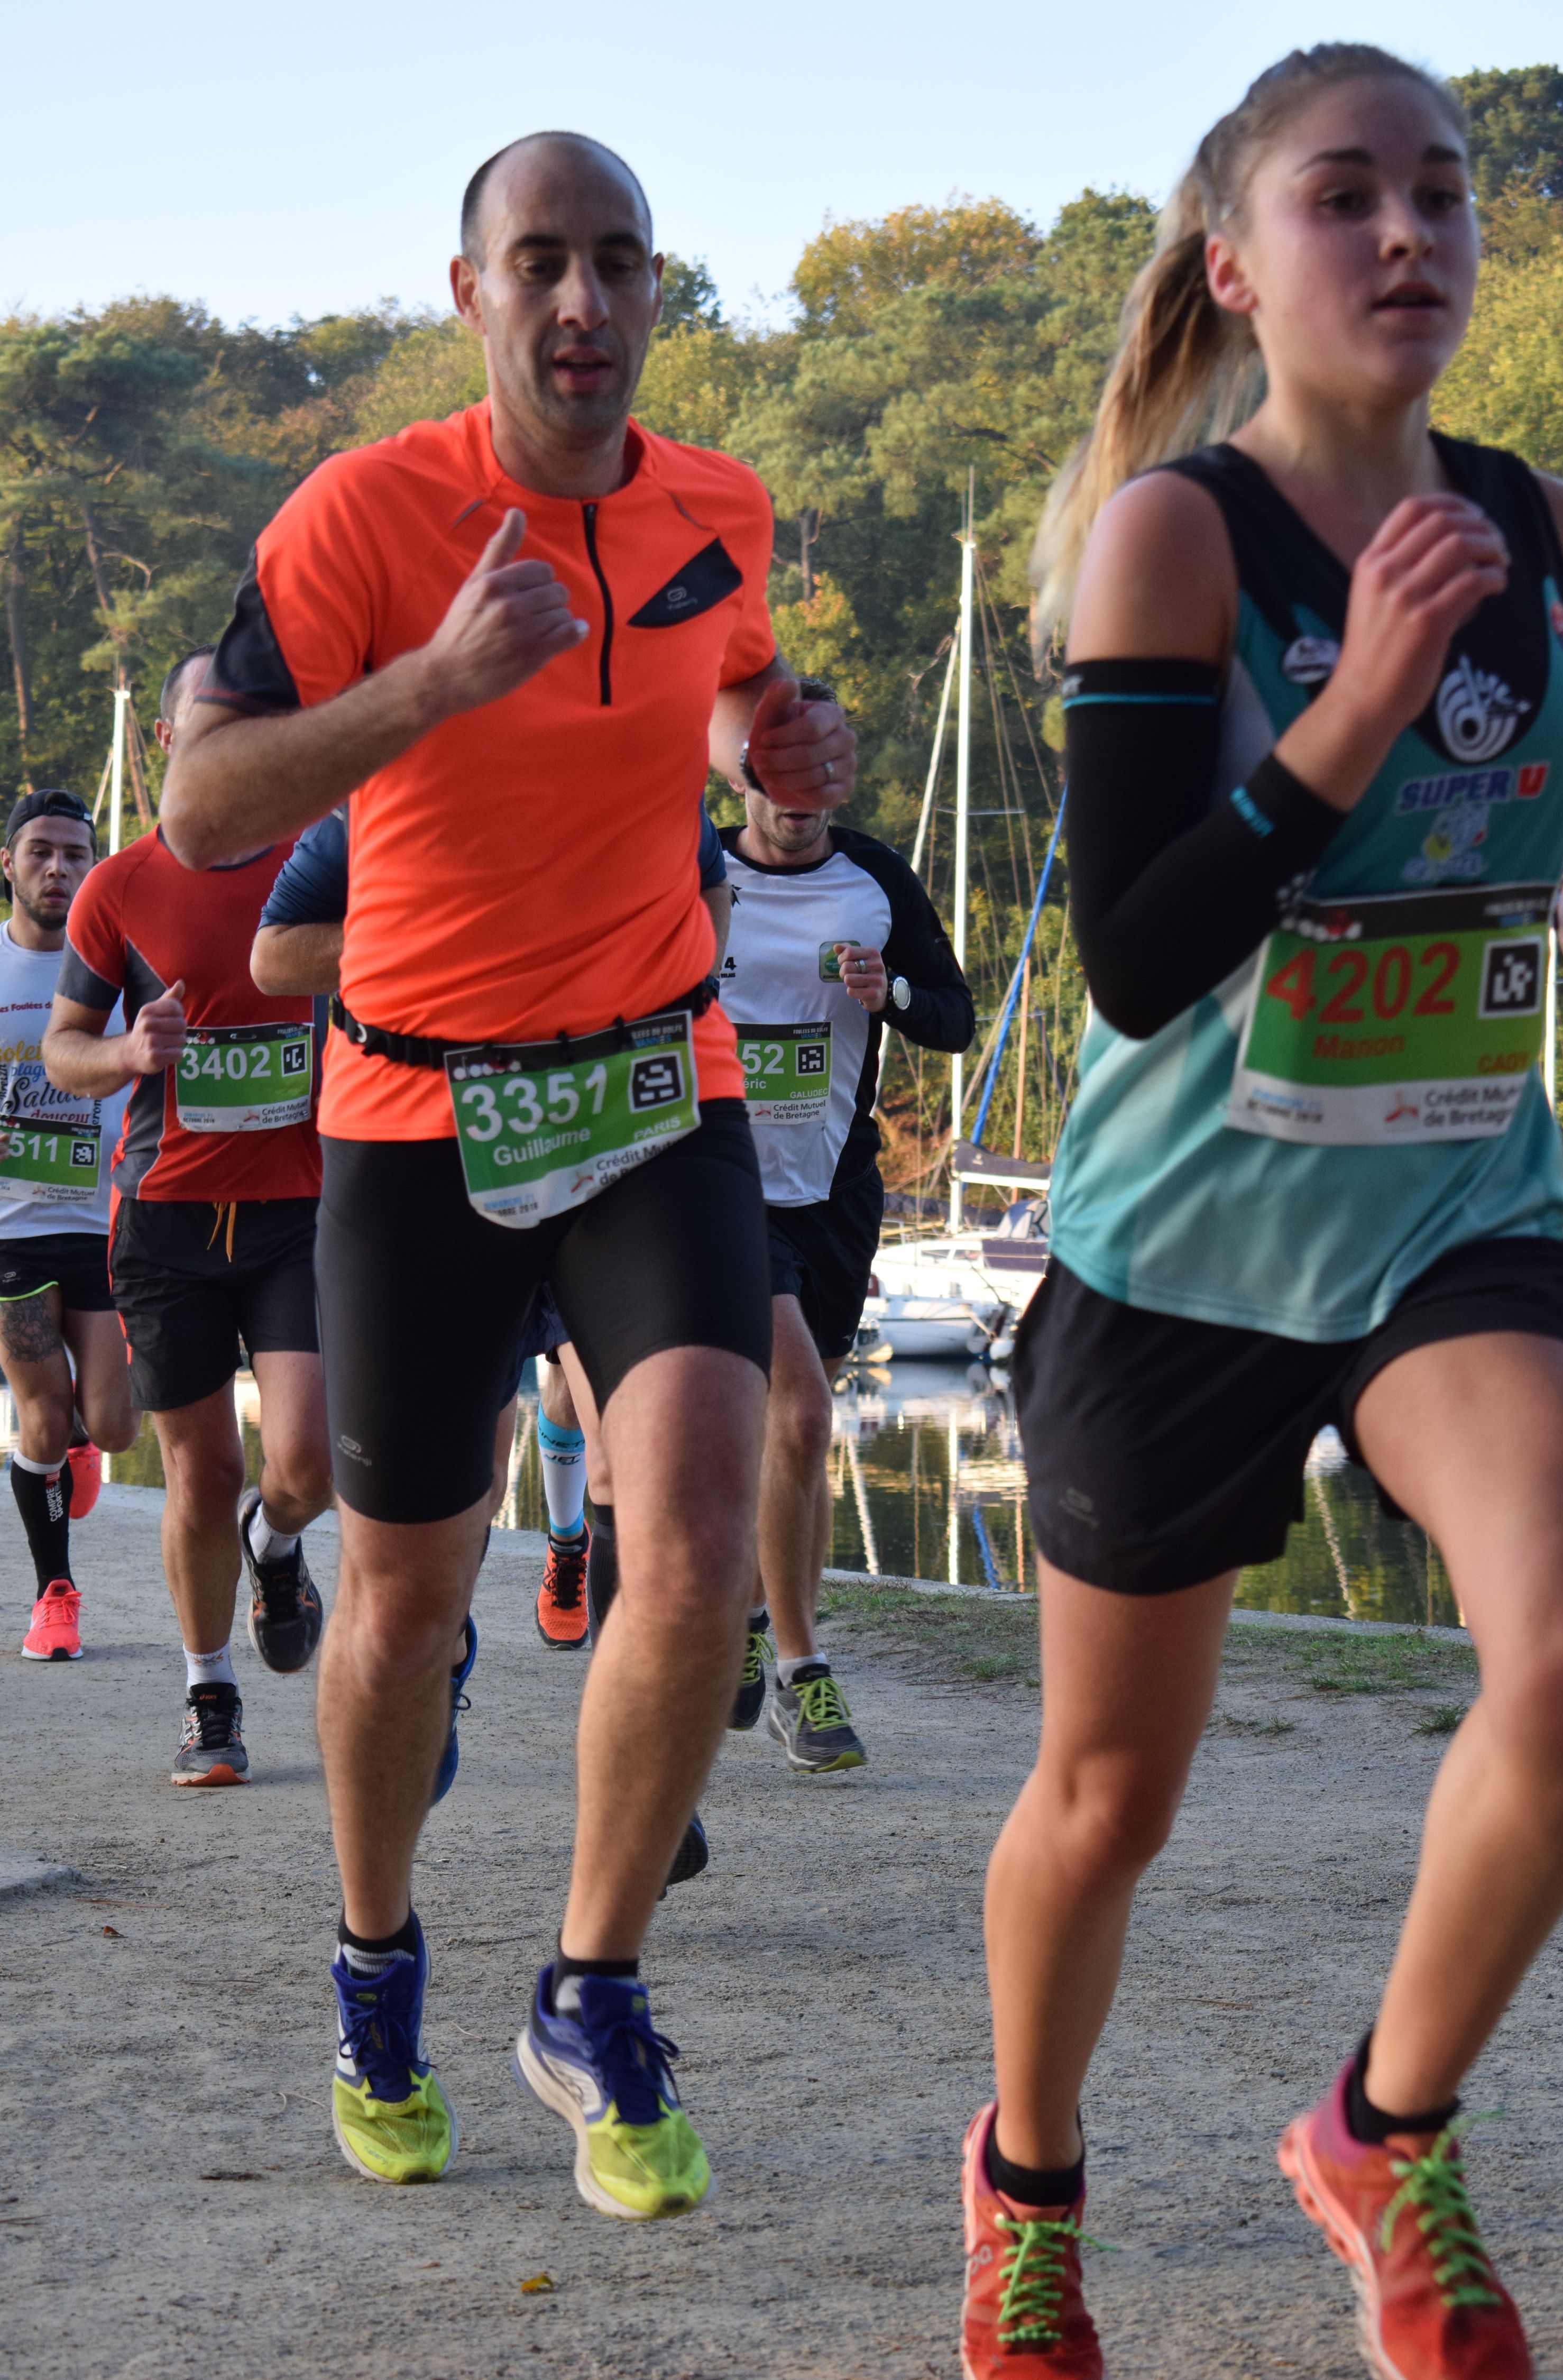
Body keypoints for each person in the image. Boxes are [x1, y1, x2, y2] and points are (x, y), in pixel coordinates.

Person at [961, 47, 1563, 2380]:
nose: (1410, 233)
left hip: (1453, 1213)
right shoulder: (1182, 539)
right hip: (1186, 1254)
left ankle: (1382, 2132)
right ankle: (1030, 2182)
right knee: (1110, 1798)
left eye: (1446, 191)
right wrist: (1362, 702)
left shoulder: (1557, 530)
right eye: (1349, 195)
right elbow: (1136, 956)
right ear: (1237, 264)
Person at [160, 131, 854, 2209]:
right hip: (416, 1115)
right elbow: (203, 808)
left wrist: (772, 747)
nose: (581, 301)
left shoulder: (716, 507)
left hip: (656, 1080)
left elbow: (732, 683)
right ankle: (377, 1961)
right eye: (537, 260)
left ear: (656, 291)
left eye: (618, 261)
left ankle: (591, 1986)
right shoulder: (363, 514)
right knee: (406, 1601)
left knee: (700, 1533)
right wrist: (434, 685)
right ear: (468, 291)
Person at [250, 788, 733, 1652]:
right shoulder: (397, 782)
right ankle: (428, 1661)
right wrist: (462, 938)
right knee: (457, 1492)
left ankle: (616, 1671)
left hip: (606, 1140)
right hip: (445, 1156)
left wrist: (658, 988)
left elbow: (710, 890)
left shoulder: (635, 759)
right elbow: (275, 957)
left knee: (641, 1470)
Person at [43, 648, 334, 1786]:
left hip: (299, 1211)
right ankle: (210, 1693)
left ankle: (278, 1540)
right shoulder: (119, 887)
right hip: (165, 1221)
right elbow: (64, 1052)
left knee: (308, 1460)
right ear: (170, 740)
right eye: (213, 720)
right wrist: (127, 1052)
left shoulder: (318, 860)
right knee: (201, 1472)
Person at [718, 704, 973, 1769]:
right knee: (806, 1415)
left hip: (835, 1186)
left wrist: (891, 989)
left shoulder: (875, 879)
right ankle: (803, 1672)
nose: (797, 806)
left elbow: (953, 1016)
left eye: (817, 783)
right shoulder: (694, 872)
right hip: (720, 1182)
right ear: (741, 780)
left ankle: (748, 1617)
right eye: (779, 783)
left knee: (798, 1437)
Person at [0, 790, 139, 1660]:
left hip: (107, 1222)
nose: (58, 868)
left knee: (116, 1425)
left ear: (95, 868)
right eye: (40, 851)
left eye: (75, 854)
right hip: (12, 1228)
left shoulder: (120, 968)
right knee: (42, 1417)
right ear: (8, 865)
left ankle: (86, 1440)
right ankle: (55, 1595)